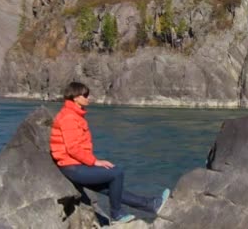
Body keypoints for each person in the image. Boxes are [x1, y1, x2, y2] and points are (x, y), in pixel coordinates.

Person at [50, 82, 170, 224]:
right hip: (72, 167)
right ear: (75, 97)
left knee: (111, 188)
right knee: (116, 173)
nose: (88, 98)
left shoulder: (74, 114)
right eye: (85, 95)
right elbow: (73, 148)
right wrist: (95, 162)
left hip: (76, 165)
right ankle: (117, 214)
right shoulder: (69, 117)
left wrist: (93, 162)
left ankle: (151, 205)